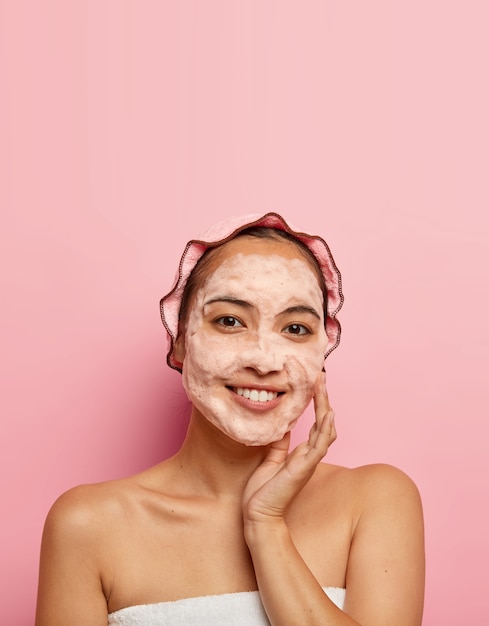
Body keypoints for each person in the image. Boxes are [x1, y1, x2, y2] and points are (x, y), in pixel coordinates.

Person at [35, 212, 425, 626]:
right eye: (229, 321)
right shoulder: (88, 525)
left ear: (321, 353)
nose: (264, 360)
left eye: (295, 328)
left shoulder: (376, 501)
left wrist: (266, 527)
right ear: (181, 340)